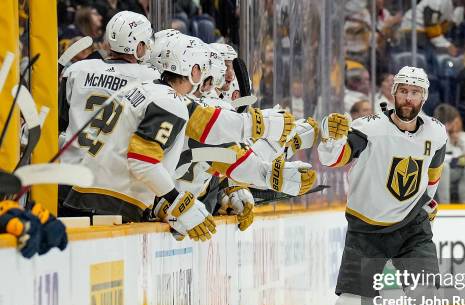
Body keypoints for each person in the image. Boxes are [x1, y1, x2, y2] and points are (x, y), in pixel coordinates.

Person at [63, 34, 313, 230]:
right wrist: (176, 202)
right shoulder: (167, 101)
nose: (208, 75)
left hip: (90, 199)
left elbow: (207, 127)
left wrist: (263, 155)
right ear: (190, 69)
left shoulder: (156, 92)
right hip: (106, 205)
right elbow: (143, 161)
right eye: (202, 67)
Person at [317, 67, 452, 305]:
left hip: (412, 229)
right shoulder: (368, 129)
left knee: (426, 302)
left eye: (415, 92)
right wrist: (330, 141)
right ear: (393, 93)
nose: (408, 98)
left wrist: (430, 202)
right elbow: (333, 159)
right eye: (403, 91)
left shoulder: (436, 134)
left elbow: (432, 177)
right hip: (366, 230)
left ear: (424, 97)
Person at [58, 11, 160, 216]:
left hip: (67, 182)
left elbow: (60, 124)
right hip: (114, 190)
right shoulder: (151, 79)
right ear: (138, 46)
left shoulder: (77, 70)